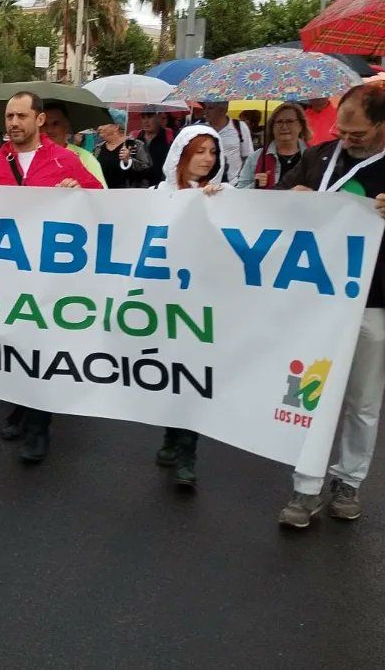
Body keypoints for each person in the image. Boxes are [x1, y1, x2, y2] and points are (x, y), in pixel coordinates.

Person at [275, 84, 385, 529]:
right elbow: (272, 212)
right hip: (317, 299)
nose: (346, 139)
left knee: (363, 401)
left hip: (376, 301)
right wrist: (286, 199)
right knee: (307, 395)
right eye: (341, 130)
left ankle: (349, 480)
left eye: (356, 133)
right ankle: (306, 485)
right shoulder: (318, 159)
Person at [0, 90, 103, 461]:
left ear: (39, 120)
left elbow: (102, 201)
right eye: (9, 117)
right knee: (13, 344)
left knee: (42, 347)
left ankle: (39, 427)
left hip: (49, 279)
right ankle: (20, 406)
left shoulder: (65, 160)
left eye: (21, 116)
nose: (14, 123)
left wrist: (80, 189)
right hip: (7, 277)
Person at [152, 126, 228, 487]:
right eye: (200, 151)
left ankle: (187, 452)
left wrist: (219, 205)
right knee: (168, 374)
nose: (208, 159)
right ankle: (171, 435)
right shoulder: (159, 195)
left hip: (203, 303)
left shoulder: (224, 195)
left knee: (193, 375)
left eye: (213, 152)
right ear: (182, 154)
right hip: (164, 301)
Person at [237, 102, 308, 189]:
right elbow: (239, 192)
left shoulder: (314, 157)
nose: (284, 126)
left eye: (290, 121)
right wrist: (255, 185)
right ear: (272, 126)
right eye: (279, 122)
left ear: (300, 125)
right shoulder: (255, 158)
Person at [41, 105, 108, 188]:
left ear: (66, 126)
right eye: (44, 124)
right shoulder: (30, 155)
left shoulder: (85, 158)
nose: (49, 130)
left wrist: (79, 191)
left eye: (55, 123)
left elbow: (101, 194)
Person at [199, 102, 254, 184]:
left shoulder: (240, 127)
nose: (205, 111)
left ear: (223, 110)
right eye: (205, 108)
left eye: (210, 108)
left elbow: (248, 157)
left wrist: (241, 179)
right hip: (206, 184)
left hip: (233, 184)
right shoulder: (200, 129)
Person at [93, 118, 153, 189]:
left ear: (116, 127)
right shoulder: (98, 148)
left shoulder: (136, 144)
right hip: (103, 194)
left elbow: (148, 170)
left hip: (128, 194)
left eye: (103, 124)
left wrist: (129, 161)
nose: (99, 128)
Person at [135, 111, 173, 187]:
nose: (146, 121)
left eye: (149, 117)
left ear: (158, 117)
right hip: (139, 187)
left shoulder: (169, 136)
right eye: (143, 118)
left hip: (160, 186)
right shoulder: (135, 137)